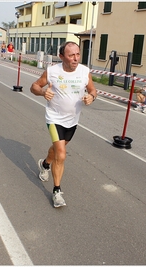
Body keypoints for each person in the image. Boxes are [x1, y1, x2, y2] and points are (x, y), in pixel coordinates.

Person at [30, 41, 97, 208]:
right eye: (71, 55)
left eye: (78, 54)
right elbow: (34, 86)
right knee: (61, 154)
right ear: (61, 57)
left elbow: (93, 90)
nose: (75, 59)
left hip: (72, 121)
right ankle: (57, 192)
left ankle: (44, 164)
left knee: (57, 149)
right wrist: (43, 92)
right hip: (54, 119)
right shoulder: (53, 71)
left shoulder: (84, 72)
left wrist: (92, 97)